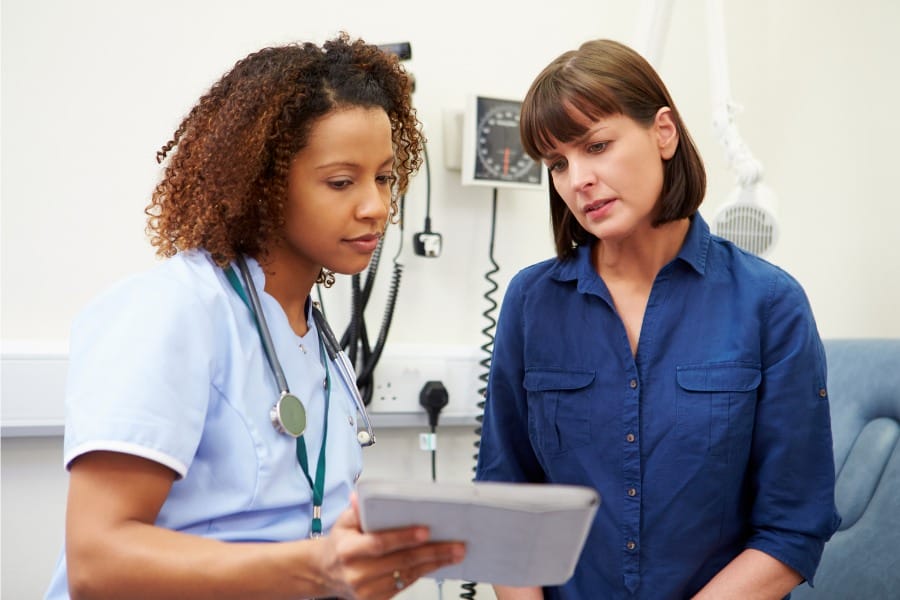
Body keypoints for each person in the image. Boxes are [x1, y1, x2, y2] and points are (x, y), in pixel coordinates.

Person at [45, 33, 465, 600]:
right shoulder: (173, 310)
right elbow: (98, 561)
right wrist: (318, 567)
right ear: (262, 184)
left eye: (385, 178)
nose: (376, 207)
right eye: (342, 182)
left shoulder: (309, 334)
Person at [474, 39, 840, 599]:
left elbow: (793, 528)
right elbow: (505, 501)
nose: (578, 180)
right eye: (558, 164)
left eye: (597, 145)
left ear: (663, 132)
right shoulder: (532, 302)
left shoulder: (769, 304)